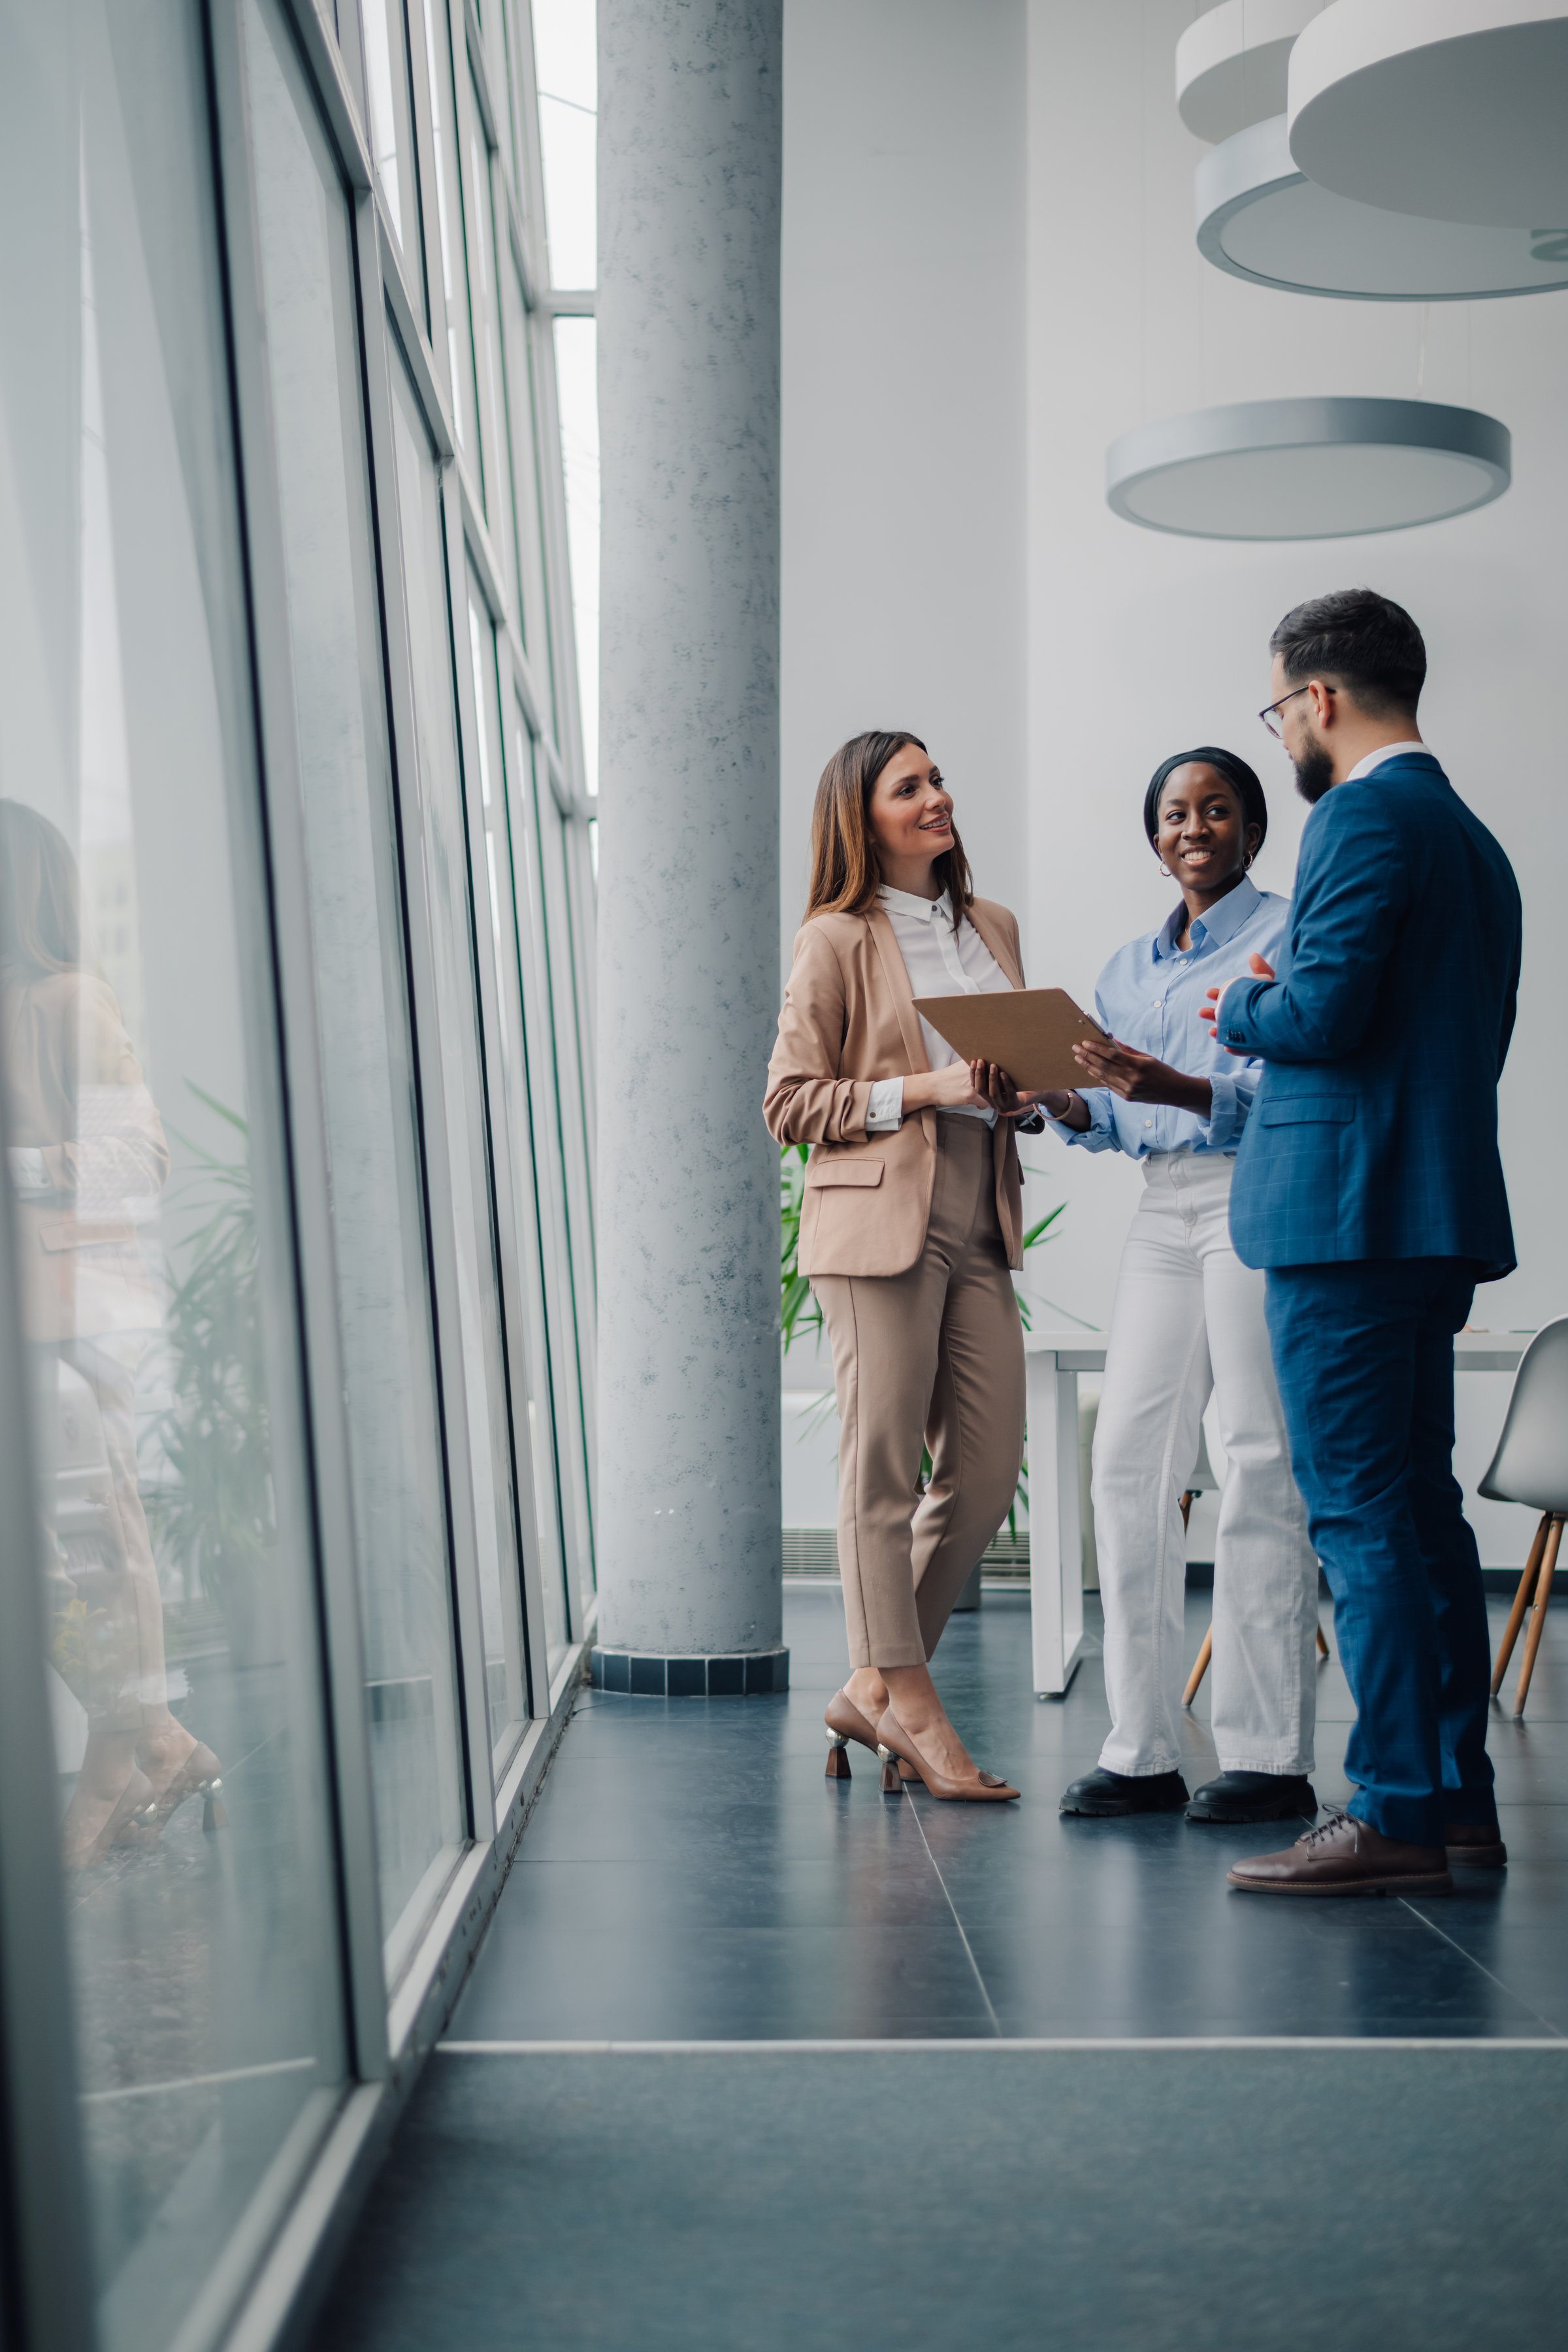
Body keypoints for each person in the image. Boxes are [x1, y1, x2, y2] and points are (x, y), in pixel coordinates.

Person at [1207, 589, 1521, 1897]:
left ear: (1320, 699)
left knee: (1359, 1515)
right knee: (1418, 1512)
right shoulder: (1472, 838)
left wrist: (1242, 1006)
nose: (1282, 730)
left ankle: (1392, 1811)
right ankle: (1452, 1801)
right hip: (1422, 1214)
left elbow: (1323, 1016)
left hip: (1347, 1218)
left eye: (1278, 707)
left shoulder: (1359, 816)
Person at [1038, 751, 1321, 1825]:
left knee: (1256, 1456)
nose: (1193, 827)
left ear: (1252, 828)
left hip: (1256, 1189)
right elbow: (1118, 1118)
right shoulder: (1126, 969)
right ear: (1154, 839)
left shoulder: (1289, 932)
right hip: (1163, 1205)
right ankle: (1142, 1751)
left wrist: (1183, 1086)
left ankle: (1268, 1756)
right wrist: (1061, 1102)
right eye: (1174, 814)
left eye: (1216, 810)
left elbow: (1293, 1080)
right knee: (1126, 1465)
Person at [764, 731, 1038, 1800]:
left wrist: (1031, 1092)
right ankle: (912, 1704)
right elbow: (790, 1103)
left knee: (986, 1471)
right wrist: (930, 1088)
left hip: (981, 1209)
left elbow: (1003, 1080)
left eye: (938, 780)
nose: (937, 797)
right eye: (909, 786)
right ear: (862, 818)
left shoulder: (991, 926)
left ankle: (869, 1687)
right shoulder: (835, 938)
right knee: (881, 1470)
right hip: (879, 1215)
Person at [0, 800, 223, 1866]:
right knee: (44, 1554)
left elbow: (142, 1156)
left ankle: (117, 1759)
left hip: (72, 1316)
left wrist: (27, 1168)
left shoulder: (68, 1000)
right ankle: (159, 1740)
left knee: (98, 1540)